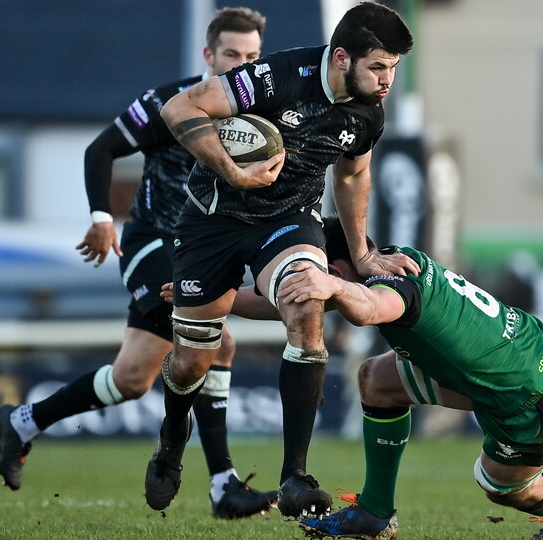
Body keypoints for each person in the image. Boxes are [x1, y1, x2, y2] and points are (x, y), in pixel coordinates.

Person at [0, 7, 277, 519]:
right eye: (232, 54)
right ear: (208, 55)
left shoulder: (263, 117)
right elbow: (101, 150)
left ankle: (24, 421)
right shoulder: (170, 103)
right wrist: (102, 217)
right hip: (151, 241)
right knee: (215, 338)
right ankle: (222, 486)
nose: (241, 65)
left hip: (203, 251)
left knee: (131, 379)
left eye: (252, 56)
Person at [148, 1, 418, 519]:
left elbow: (352, 175)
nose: (387, 81)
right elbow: (179, 108)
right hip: (212, 219)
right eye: (378, 67)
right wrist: (234, 171)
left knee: (306, 303)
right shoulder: (277, 76)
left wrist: (361, 255)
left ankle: (295, 474)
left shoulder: (368, 113)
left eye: (393, 69)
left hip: (288, 220)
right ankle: (170, 442)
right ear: (341, 58)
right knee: (189, 364)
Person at [269, 216, 543, 540]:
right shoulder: (396, 261)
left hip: (532, 401)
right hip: (523, 357)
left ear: (335, 271)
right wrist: (218, 303)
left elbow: (369, 308)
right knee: (378, 380)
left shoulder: (387, 290)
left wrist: (331, 284)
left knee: (499, 487)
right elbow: (284, 299)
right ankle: (375, 512)